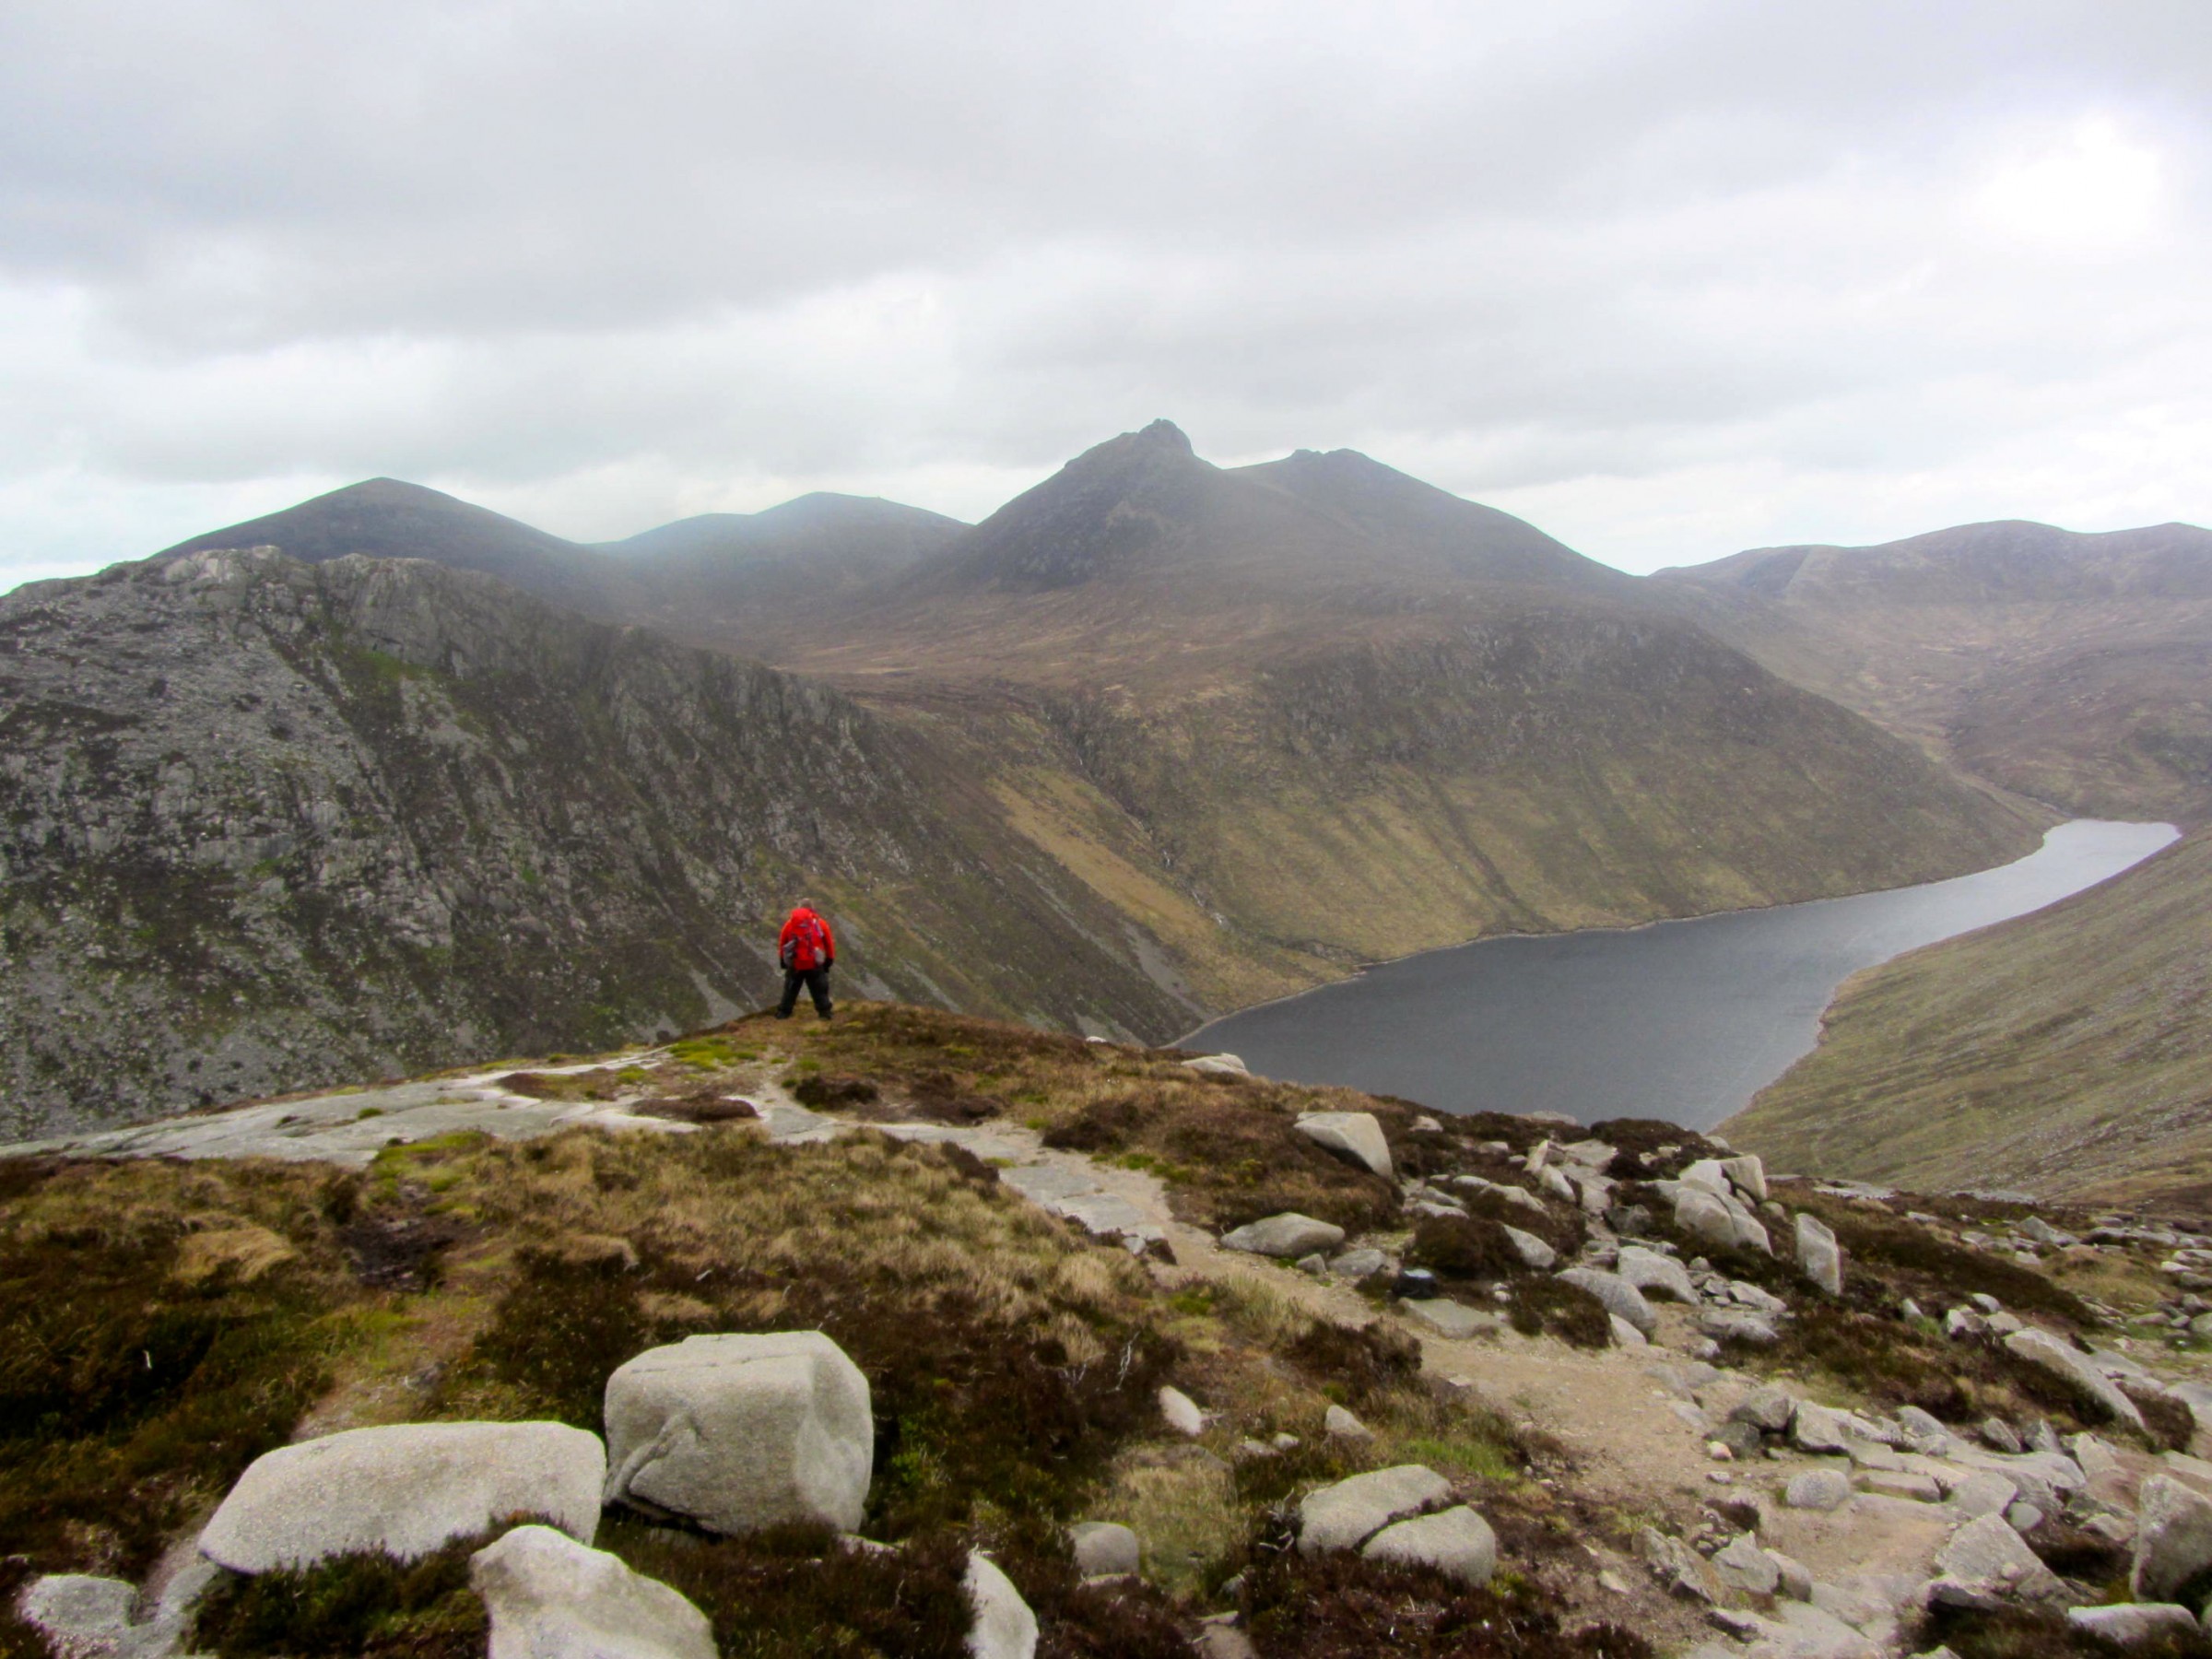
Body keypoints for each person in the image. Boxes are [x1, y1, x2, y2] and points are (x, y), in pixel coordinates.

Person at [776, 900, 836, 1019]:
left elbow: (783, 942)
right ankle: (825, 1013)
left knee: (790, 989)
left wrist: (783, 961)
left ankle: (784, 1013)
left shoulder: (790, 924)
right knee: (819, 989)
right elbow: (829, 943)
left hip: (795, 963)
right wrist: (829, 960)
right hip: (814, 963)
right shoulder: (820, 923)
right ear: (812, 909)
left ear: (799, 908)